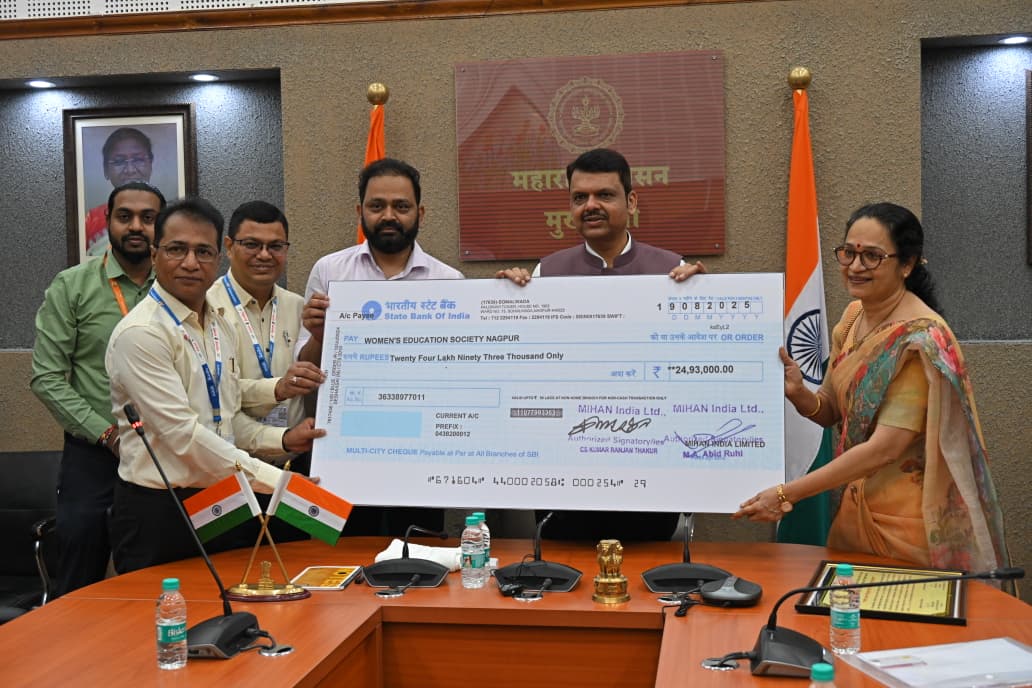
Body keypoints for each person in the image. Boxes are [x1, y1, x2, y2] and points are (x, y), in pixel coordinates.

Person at [734, 202, 1010, 573]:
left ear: (907, 264)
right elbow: (831, 410)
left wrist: (787, 493)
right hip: (854, 512)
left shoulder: (919, 340)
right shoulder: (853, 318)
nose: (855, 266)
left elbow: (885, 448)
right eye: (849, 253)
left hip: (906, 529)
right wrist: (799, 394)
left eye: (872, 256)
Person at [496, 148, 705, 543]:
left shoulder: (673, 271)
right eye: (580, 197)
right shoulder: (545, 274)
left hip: (649, 472)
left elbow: (695, 367)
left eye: (604, 195)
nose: (590, 206)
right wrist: (504, 304)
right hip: (567, 475)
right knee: (566, 571)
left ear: (631, 201)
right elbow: (523, 368)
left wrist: (705, 301)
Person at [105, 197, 324, 572]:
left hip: (222, 499)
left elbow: (227, 414)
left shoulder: (218, 322)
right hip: (162, 509)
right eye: (177, 249)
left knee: (231, 599)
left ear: (218, 258)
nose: (191, 263)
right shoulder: (142, 333)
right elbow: (184, 436)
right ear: (155, 255)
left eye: (203, 252)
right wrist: (279, 481)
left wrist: (283, 437)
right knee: (167, 608)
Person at [297, 158, 462, 536]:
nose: (389, 216)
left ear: (420, 213)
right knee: (344, 553)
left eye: (401, 206)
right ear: (360, 212)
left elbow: (457, 372)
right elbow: (306, 373)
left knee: (417, 553)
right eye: (377, 206)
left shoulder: (449, 281)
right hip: (345, 451)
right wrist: (320, 334)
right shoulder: (329, 271)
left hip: (423, 452)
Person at [31, 181, 165, 597]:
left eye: (148, 217)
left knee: (160, 575)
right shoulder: (72, 286)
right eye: (125, 216)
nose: (136, 226)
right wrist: (107, 435)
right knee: (80, 571)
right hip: (95, 454)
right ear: (107, 221)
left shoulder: (179, 286)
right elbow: (46, 376)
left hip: (167, 452)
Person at [208, 200, 325, 542]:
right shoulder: (207, 308)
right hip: (233, 474)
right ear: (229, 247)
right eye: (251, 244)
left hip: (294, 467)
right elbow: (217, 396)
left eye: (275, 246)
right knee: (234, 562)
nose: (264, 255)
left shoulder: (298, 307)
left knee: (299, 558)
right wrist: (277, 389)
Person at [85, 128, 155, 257]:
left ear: (150, 164)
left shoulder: (169, 216)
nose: (130, 170)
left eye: (138, 160)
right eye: (119, 162)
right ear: (106, 170)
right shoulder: (90, 221)